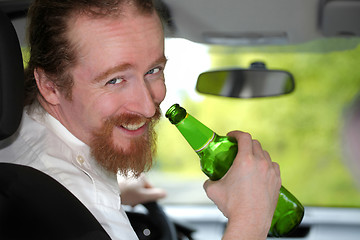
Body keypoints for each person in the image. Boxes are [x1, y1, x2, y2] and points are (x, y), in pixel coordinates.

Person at [0, 0, 281, 239]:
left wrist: (118, 188)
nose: (148, 107)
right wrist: (249, 220)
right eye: (115, 80)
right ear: (50, 86)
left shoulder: (27, 137)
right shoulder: (72, 205)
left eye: (153, 70)